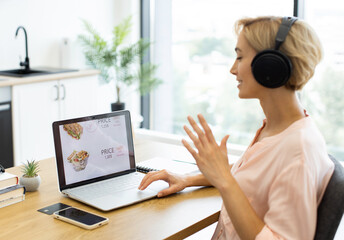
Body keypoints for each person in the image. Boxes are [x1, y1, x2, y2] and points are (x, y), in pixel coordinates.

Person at [138, 16, 335, 240]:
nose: (233, 69)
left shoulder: (298, 150)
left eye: (240, 57)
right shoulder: (277, 128)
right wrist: (187, 179)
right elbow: (251, 175)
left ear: (269, 65)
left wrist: (224, 180)